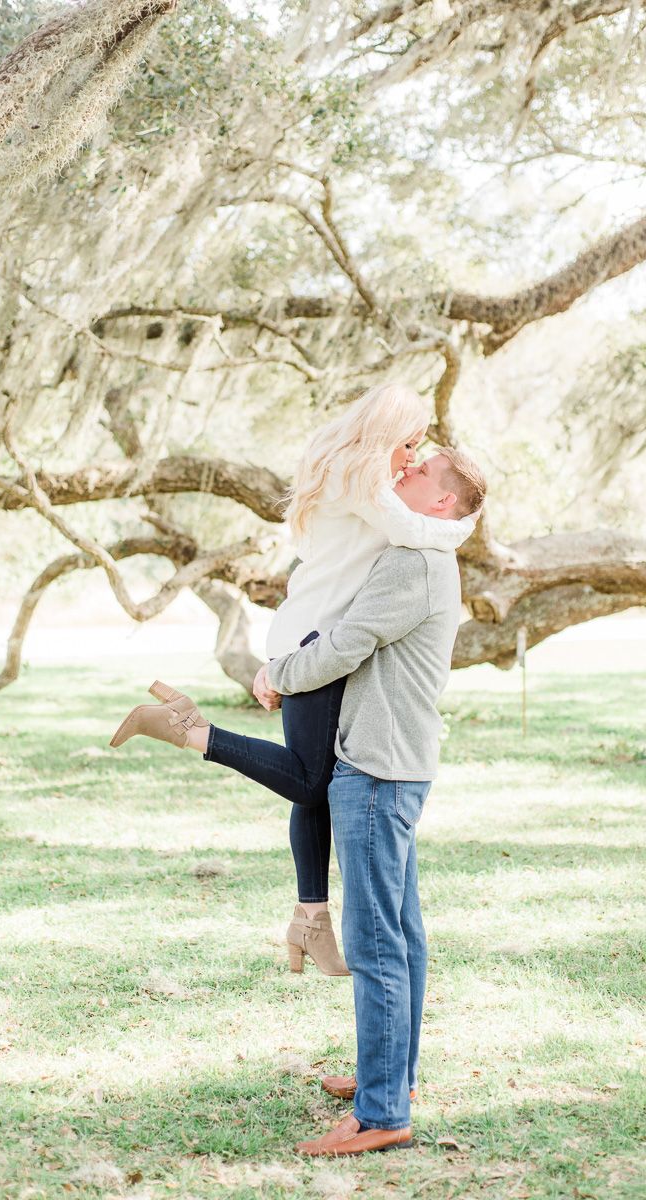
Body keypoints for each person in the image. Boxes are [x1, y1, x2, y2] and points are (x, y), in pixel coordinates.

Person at [109, 382, 476, 975]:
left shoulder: (352, 471)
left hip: (312, 630)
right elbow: (416, 531)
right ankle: (188, 729)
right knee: (312, 782)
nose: (410, 457)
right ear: (386, 432)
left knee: (319, 780)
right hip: (316, 641)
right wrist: (465, 527)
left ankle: (310, 920)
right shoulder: (359, 476)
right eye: (408, 443)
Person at [255, 447, 487, 1156]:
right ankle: (391, 1077)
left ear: (441, 503)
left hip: (377, 769)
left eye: (418, 473)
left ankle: (383, 1113)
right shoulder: (419, 556)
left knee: (376, 939)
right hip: (394, 764)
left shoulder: (413, 562)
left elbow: (347, 643)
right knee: (401, 931)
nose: (401, 475)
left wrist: (279, 672)